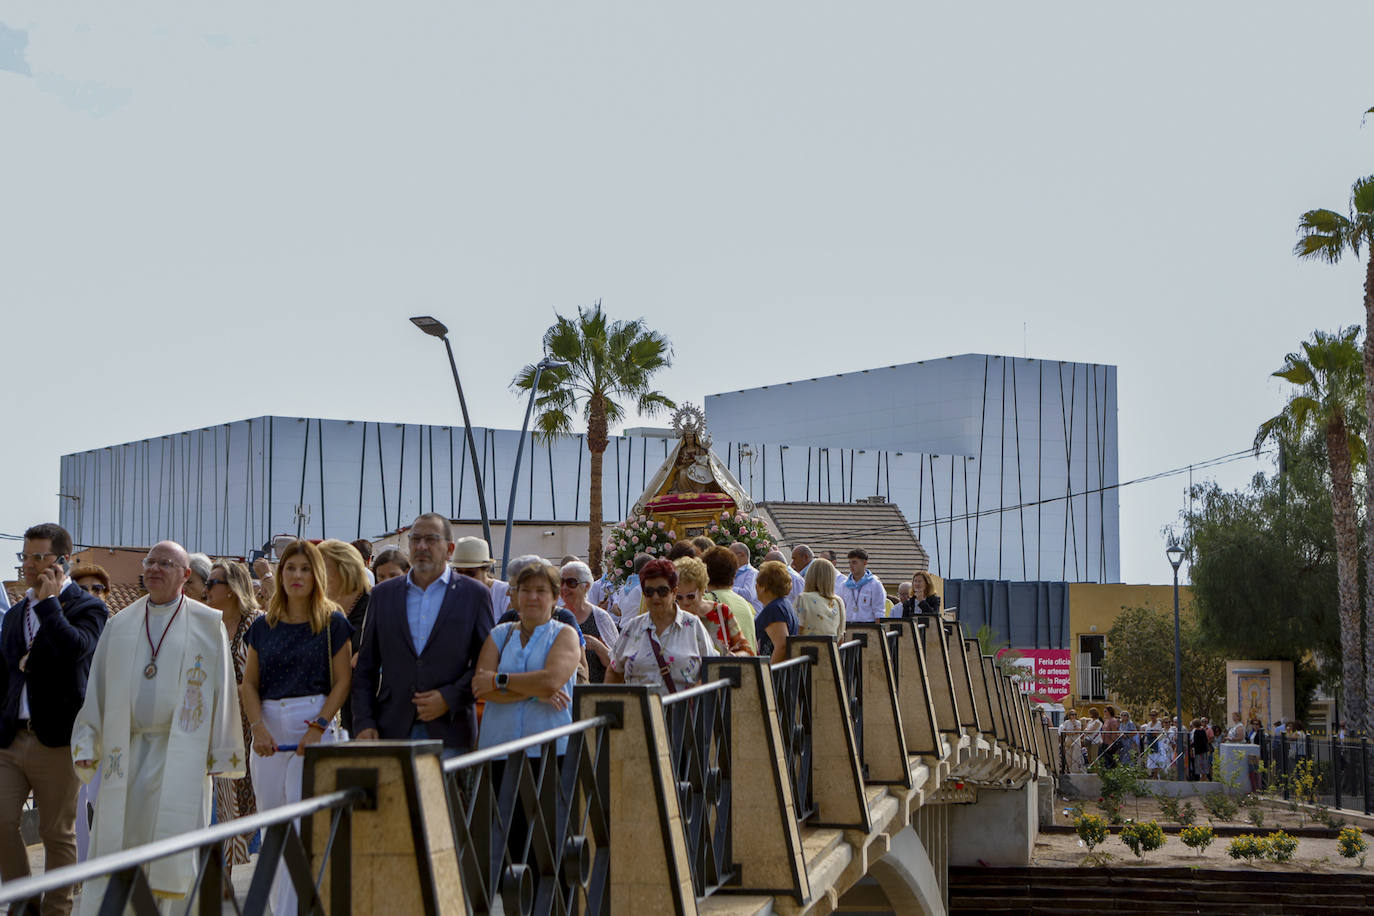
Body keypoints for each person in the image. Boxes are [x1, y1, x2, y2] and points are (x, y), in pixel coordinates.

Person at [71, 540, 242, 914]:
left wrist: (221, 749)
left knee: (175, 853)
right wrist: (87, 743)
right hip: (125, 754)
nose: (154, 569)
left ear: (184, 575)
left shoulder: (206, 623)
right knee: (122, 845)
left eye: (166, 563)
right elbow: (96, 689)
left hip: (182, 754)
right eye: (150, 562)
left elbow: (223, 688)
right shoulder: (119, 624)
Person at [239, 539, 352, 916]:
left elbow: (342, 682)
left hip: (313, 725)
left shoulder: (333, 621)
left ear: (316, 573)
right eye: (290, 568)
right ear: (281, 572)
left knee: (309, 831)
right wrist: (257, 728)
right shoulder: (262, 625)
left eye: (305, 568)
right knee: (274, 829)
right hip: (269, 727)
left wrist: (319, 727)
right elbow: (249, 683)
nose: (297, 576)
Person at [1, 524, 107, 915]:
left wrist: (50, 604)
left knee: (55, 832)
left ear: (62, 560)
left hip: (59, 739)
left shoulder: (89, 607)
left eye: (38, 557)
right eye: (25, 557)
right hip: (12, 738)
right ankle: (23, 902)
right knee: (1, 820)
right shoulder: (15, 614)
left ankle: (56, 908)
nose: (28, 565)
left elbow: (76, 650)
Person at [352, 514, 492, 756]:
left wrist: (449, 697)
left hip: (451, 732)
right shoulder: (383, 595)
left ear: (449, 549)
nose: (421, 546)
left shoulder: (474, 595)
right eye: (415, 539)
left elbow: (486, 664)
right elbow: (366, 666)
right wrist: (364, 722)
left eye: (431, 539)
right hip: (392, 730)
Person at [472, 562, 581, 753]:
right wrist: (534, 694)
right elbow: (481, 687)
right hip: (499, 748)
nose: (532, 597)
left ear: (555, 597)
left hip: (549, 750)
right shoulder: (499, 635)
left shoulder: (564, 635)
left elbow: (550, 682)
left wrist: (498, 680)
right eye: (525, 590)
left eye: (541, 591)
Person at [205, 560, 264, 883]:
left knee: (257, 800)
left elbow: (264, 678)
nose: (207, 589)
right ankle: (220, 880)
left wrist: (236, 689)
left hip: (254, 725)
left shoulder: (258, 625)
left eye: (213, 583)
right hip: (219, 727)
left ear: (231, 588)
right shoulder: (208, 625)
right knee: (221, 801)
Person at [607, 559, 717, 693]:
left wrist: (696, 696)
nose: (655, 597)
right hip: (640, 712)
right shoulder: (632, 628)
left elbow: (712, 670)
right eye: (649, 591)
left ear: (674, 592)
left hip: (683, 712)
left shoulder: (693, 626)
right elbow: (614, 671)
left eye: (662, 591)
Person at [316, 539, 371, 733]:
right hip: (326, 718)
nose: (315, 575)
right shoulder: (320, 613)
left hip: (366, 715)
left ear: (345, 568)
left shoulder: (374, 607)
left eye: (322, 568)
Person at [673, 557, 751, 656]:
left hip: (719, 670)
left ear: (702, 590)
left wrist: (732, 657)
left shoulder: (721, 612)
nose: (685, 602)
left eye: (691, 596)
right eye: (679, 597)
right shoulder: (672, 617)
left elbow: (746, 650)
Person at [561, 561, 620, 683]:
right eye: (561, 582)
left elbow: (617, 665)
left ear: (586, 586)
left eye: (571, 583)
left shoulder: (600, 617)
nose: (564, 588)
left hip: (595, 694)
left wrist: (598, 647)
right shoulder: (554, 616)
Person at [703, 546, 757, 652]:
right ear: (734, 573)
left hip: (720, 666)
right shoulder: (747, 605)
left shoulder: (704, 602)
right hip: (748, 666)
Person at [752, 561, 799, 666]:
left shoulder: (774, 609)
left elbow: (782, 645)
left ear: (764, 586)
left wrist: (768, 673)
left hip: (777, 676)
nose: (755, 587)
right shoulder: (783, 604)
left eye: (758, 584)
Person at [796, 557, 845, 638]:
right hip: (832, 649)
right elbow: (841, 636)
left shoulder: (803, 599)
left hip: (807, 649)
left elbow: (796, 631)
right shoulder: (839, 601)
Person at [841, 549, 885, 623]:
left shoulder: (874, 584)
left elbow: (879, 612)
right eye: (850, 562)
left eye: (854, 562)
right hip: (848, 626)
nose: (851, 566)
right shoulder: (844, 585)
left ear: (864, 562)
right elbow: (841, 609)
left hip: (868, 626)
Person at [729, 542, 762, 612]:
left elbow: (748, 595)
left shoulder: (753, 573)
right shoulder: (733, 572)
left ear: (742, 554)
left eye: (730, 555)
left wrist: (726, 589)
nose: (728, 558)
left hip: (752, 618)